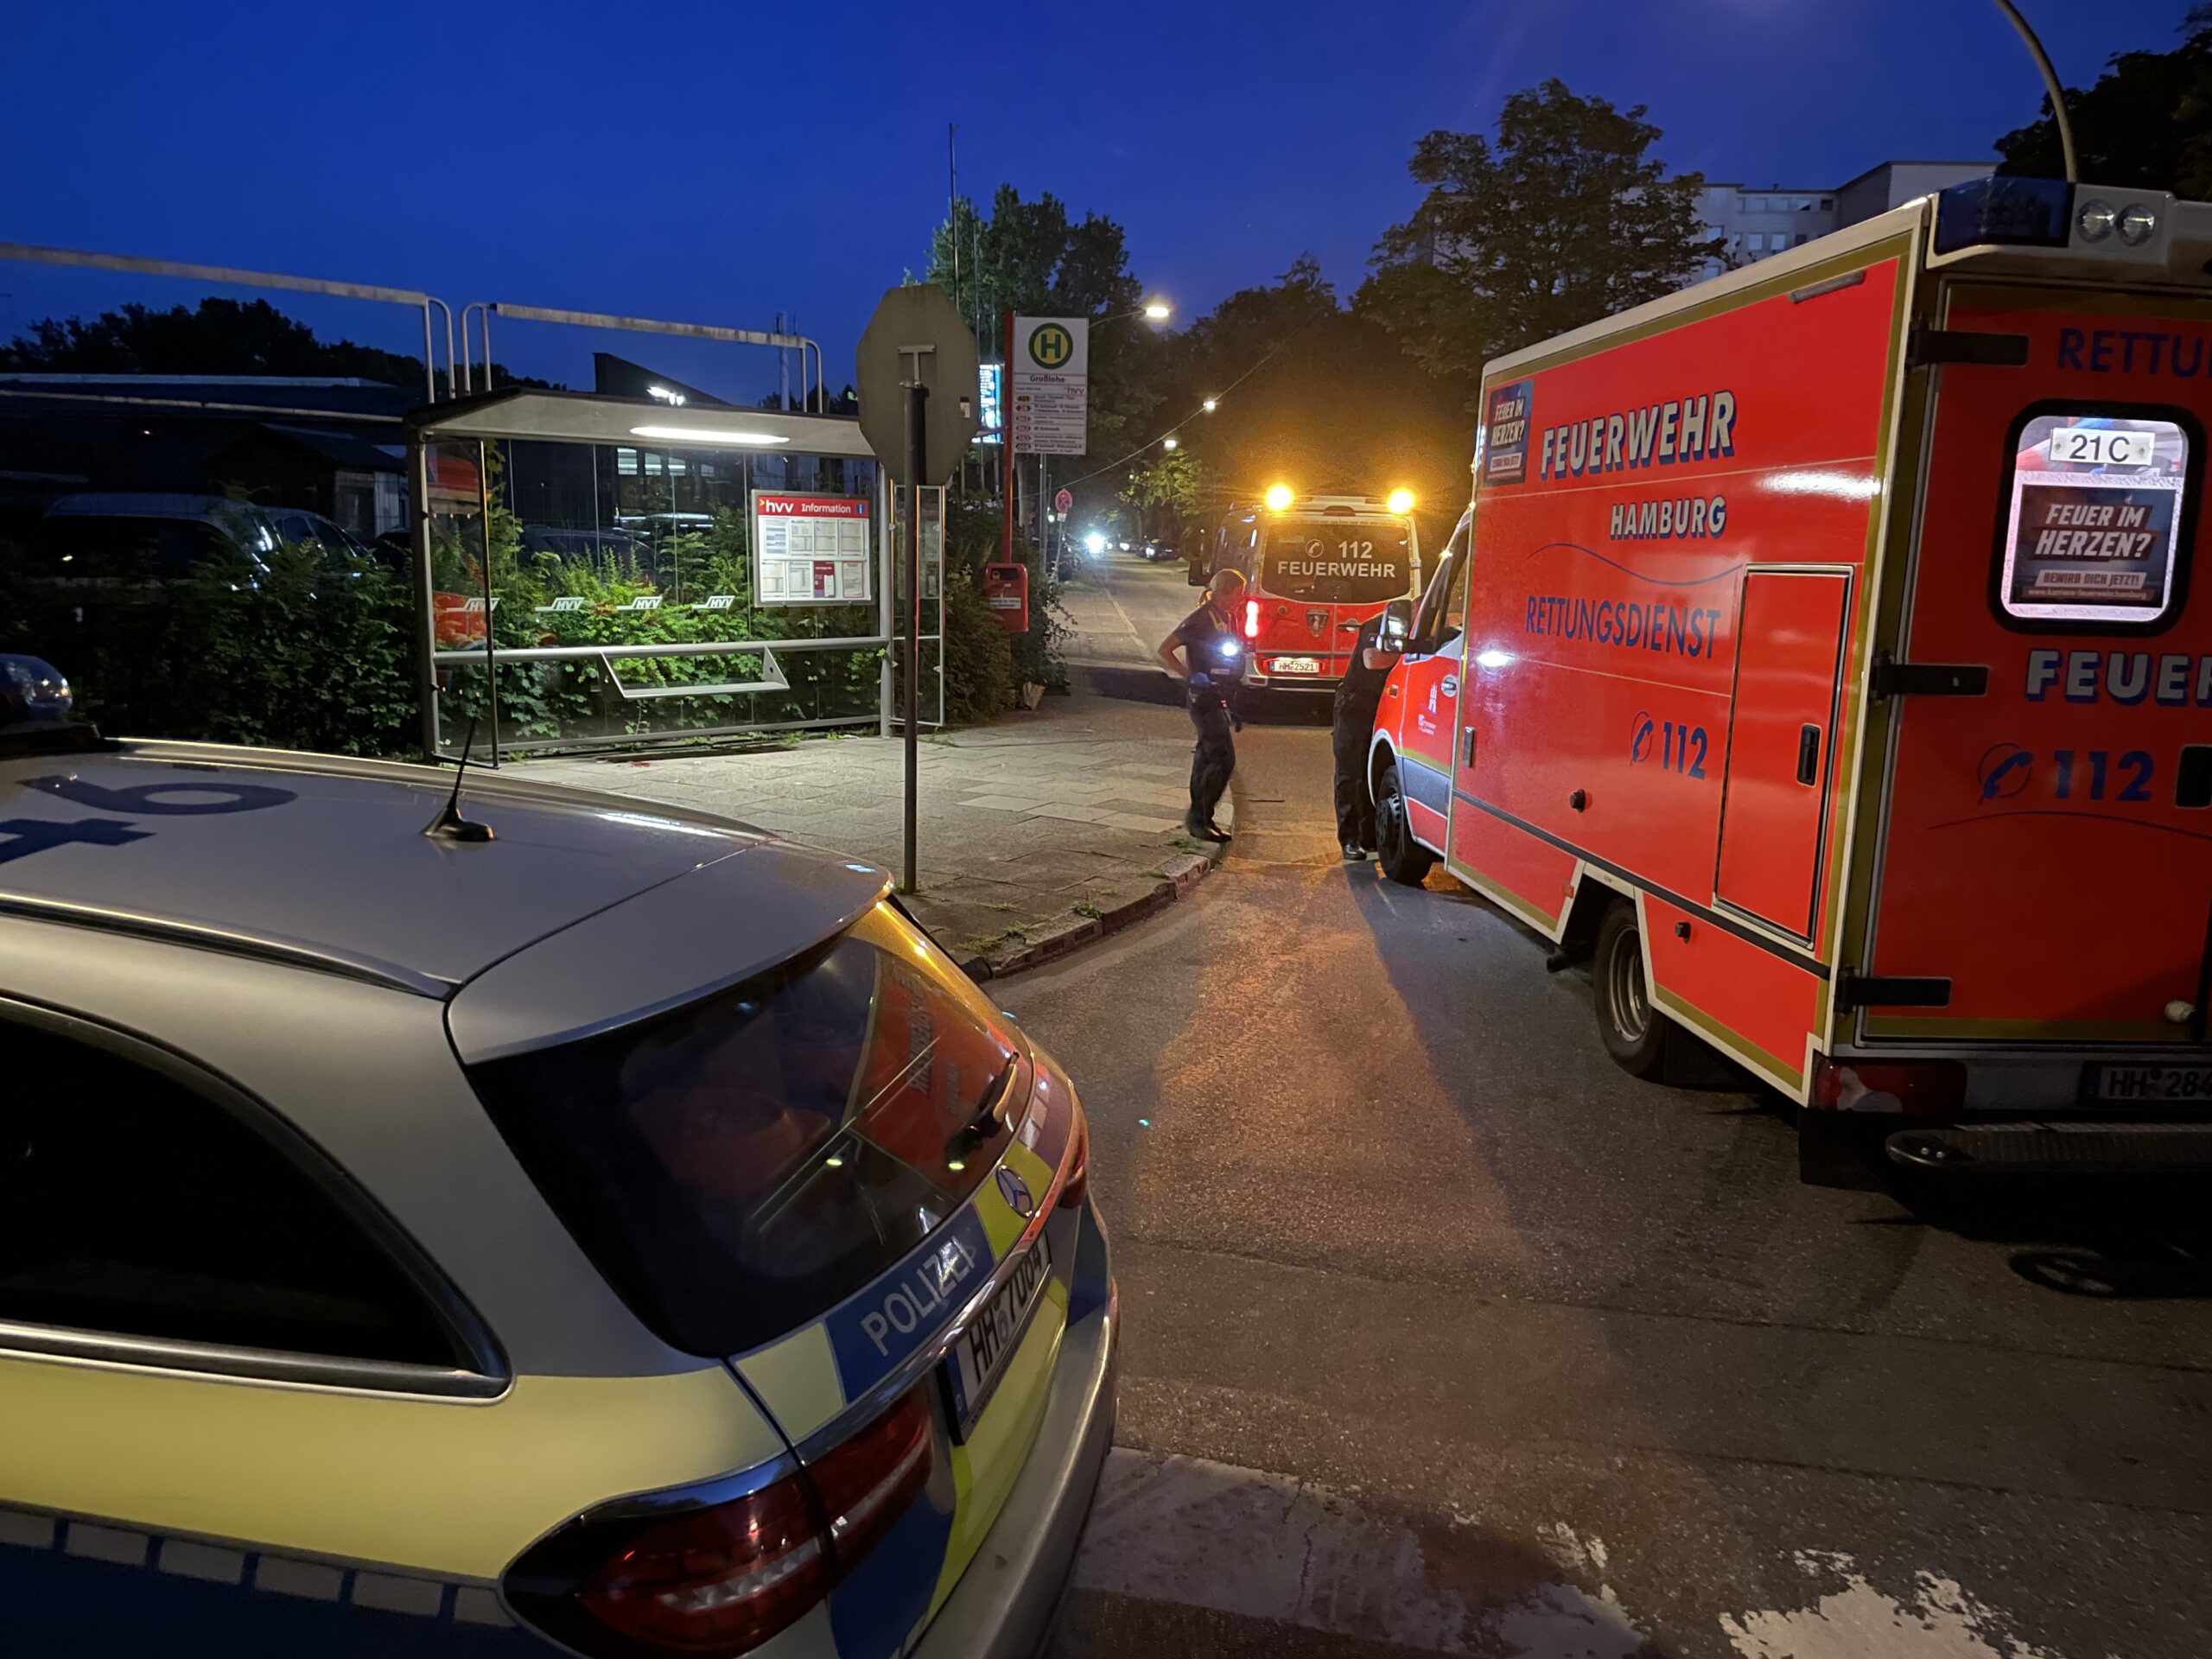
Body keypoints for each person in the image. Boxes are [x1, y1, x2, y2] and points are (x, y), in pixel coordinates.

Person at [1157, 569, 1248, 842]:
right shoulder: (1200, 618)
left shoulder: (1225, 617)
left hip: (1218, 696)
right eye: (1238, 595)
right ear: (1224, 594)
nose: (1241, 600)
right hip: (1203, 698)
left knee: (1206, 758)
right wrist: (1190, 677)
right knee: (1222, 757)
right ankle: (1199, 818)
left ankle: (1201, 818)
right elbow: (1165, 649)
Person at [1331, 608, 1405, 861]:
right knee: (1350, 773)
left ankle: (1366, 836)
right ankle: (1349, 839)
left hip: (1381, 705)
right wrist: (1408, 652)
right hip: (1355, 705)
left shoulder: (1415, 625)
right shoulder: (1380, 623)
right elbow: (1372, 659)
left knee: (1368, 773)